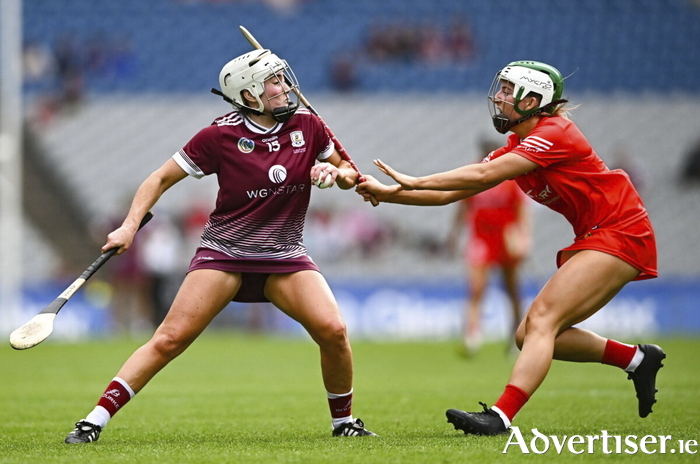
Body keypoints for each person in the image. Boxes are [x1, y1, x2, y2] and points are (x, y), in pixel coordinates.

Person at [64, 48, 376, 444]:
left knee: (333, 331)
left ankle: (344, 423)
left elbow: (351, 172)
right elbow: (159, 179)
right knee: (169, 340)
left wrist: (335, 172)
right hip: (224, 254)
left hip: (285, 255)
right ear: (249, 96)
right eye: (274, 82)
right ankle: (93, 421)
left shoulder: (309, 126)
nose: (285, 87)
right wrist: (129, 226)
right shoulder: (219, 135)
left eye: (281, 78)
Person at [356, 60, 664, 435]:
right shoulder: (518, 147)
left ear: (533, 99)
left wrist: (415, 179)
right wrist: (389, 194)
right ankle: (635, 359)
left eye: (507, 91)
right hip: (597, 234)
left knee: (542, 322)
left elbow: (481, 175)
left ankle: (500, 417)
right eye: (500, 89)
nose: (498, 98)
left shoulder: (555, 132)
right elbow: (455, 193)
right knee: (529, 335)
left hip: (620, 230)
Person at [447, 140, 530, 356]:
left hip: (505, 237)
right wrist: (455, 234)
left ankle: (516, 336)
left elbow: (521, 209)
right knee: (476, 289)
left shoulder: (510, 178)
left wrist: (523, 237)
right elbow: (462, 206)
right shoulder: (474, 177)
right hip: (481, 238)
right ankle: (472, 336)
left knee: (512, 289)